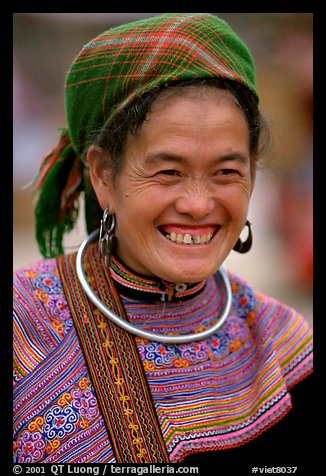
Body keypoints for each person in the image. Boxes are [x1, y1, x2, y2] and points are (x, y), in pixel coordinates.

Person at [13, 13, 313, 468]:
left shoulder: (281, 344)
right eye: (167, 172)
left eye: (226, 172)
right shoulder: (24, 326)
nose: (197, 204)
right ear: (102, 174)